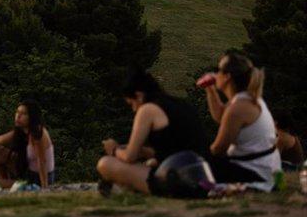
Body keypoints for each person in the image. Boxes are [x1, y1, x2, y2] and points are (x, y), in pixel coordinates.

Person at [96, 70, 209, 196]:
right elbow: (176, 150)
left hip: (177, 181)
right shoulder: (180, 104)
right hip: (201, 175)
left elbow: (129, 157)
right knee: (149, 163)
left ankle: (124, 189)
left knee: (105, 163)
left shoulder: (147, 109)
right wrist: (144, 152)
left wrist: (114, 149)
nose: (134, 109)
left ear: (139, 96)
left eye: (132, 103)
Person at [201, 53, 282, 190]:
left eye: (219, 69)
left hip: (255, 173)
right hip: (266, 170)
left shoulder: (238, 108)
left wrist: (198, 157)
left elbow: (218, 149)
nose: (215, 73)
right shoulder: (247, 99)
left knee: (192, 168)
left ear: (227, 77)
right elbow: (221, 116)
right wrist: (210, 89)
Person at [0, 99, 55, 188]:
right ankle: (8, 182)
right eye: (17, 112)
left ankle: (11, 186)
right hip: (29, 172)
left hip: (39, 178)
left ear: (32, 117)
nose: (18, 116)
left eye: (23, 114)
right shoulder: (22, 131)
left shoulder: (38, 133)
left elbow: (42, 161)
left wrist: (44, 188)